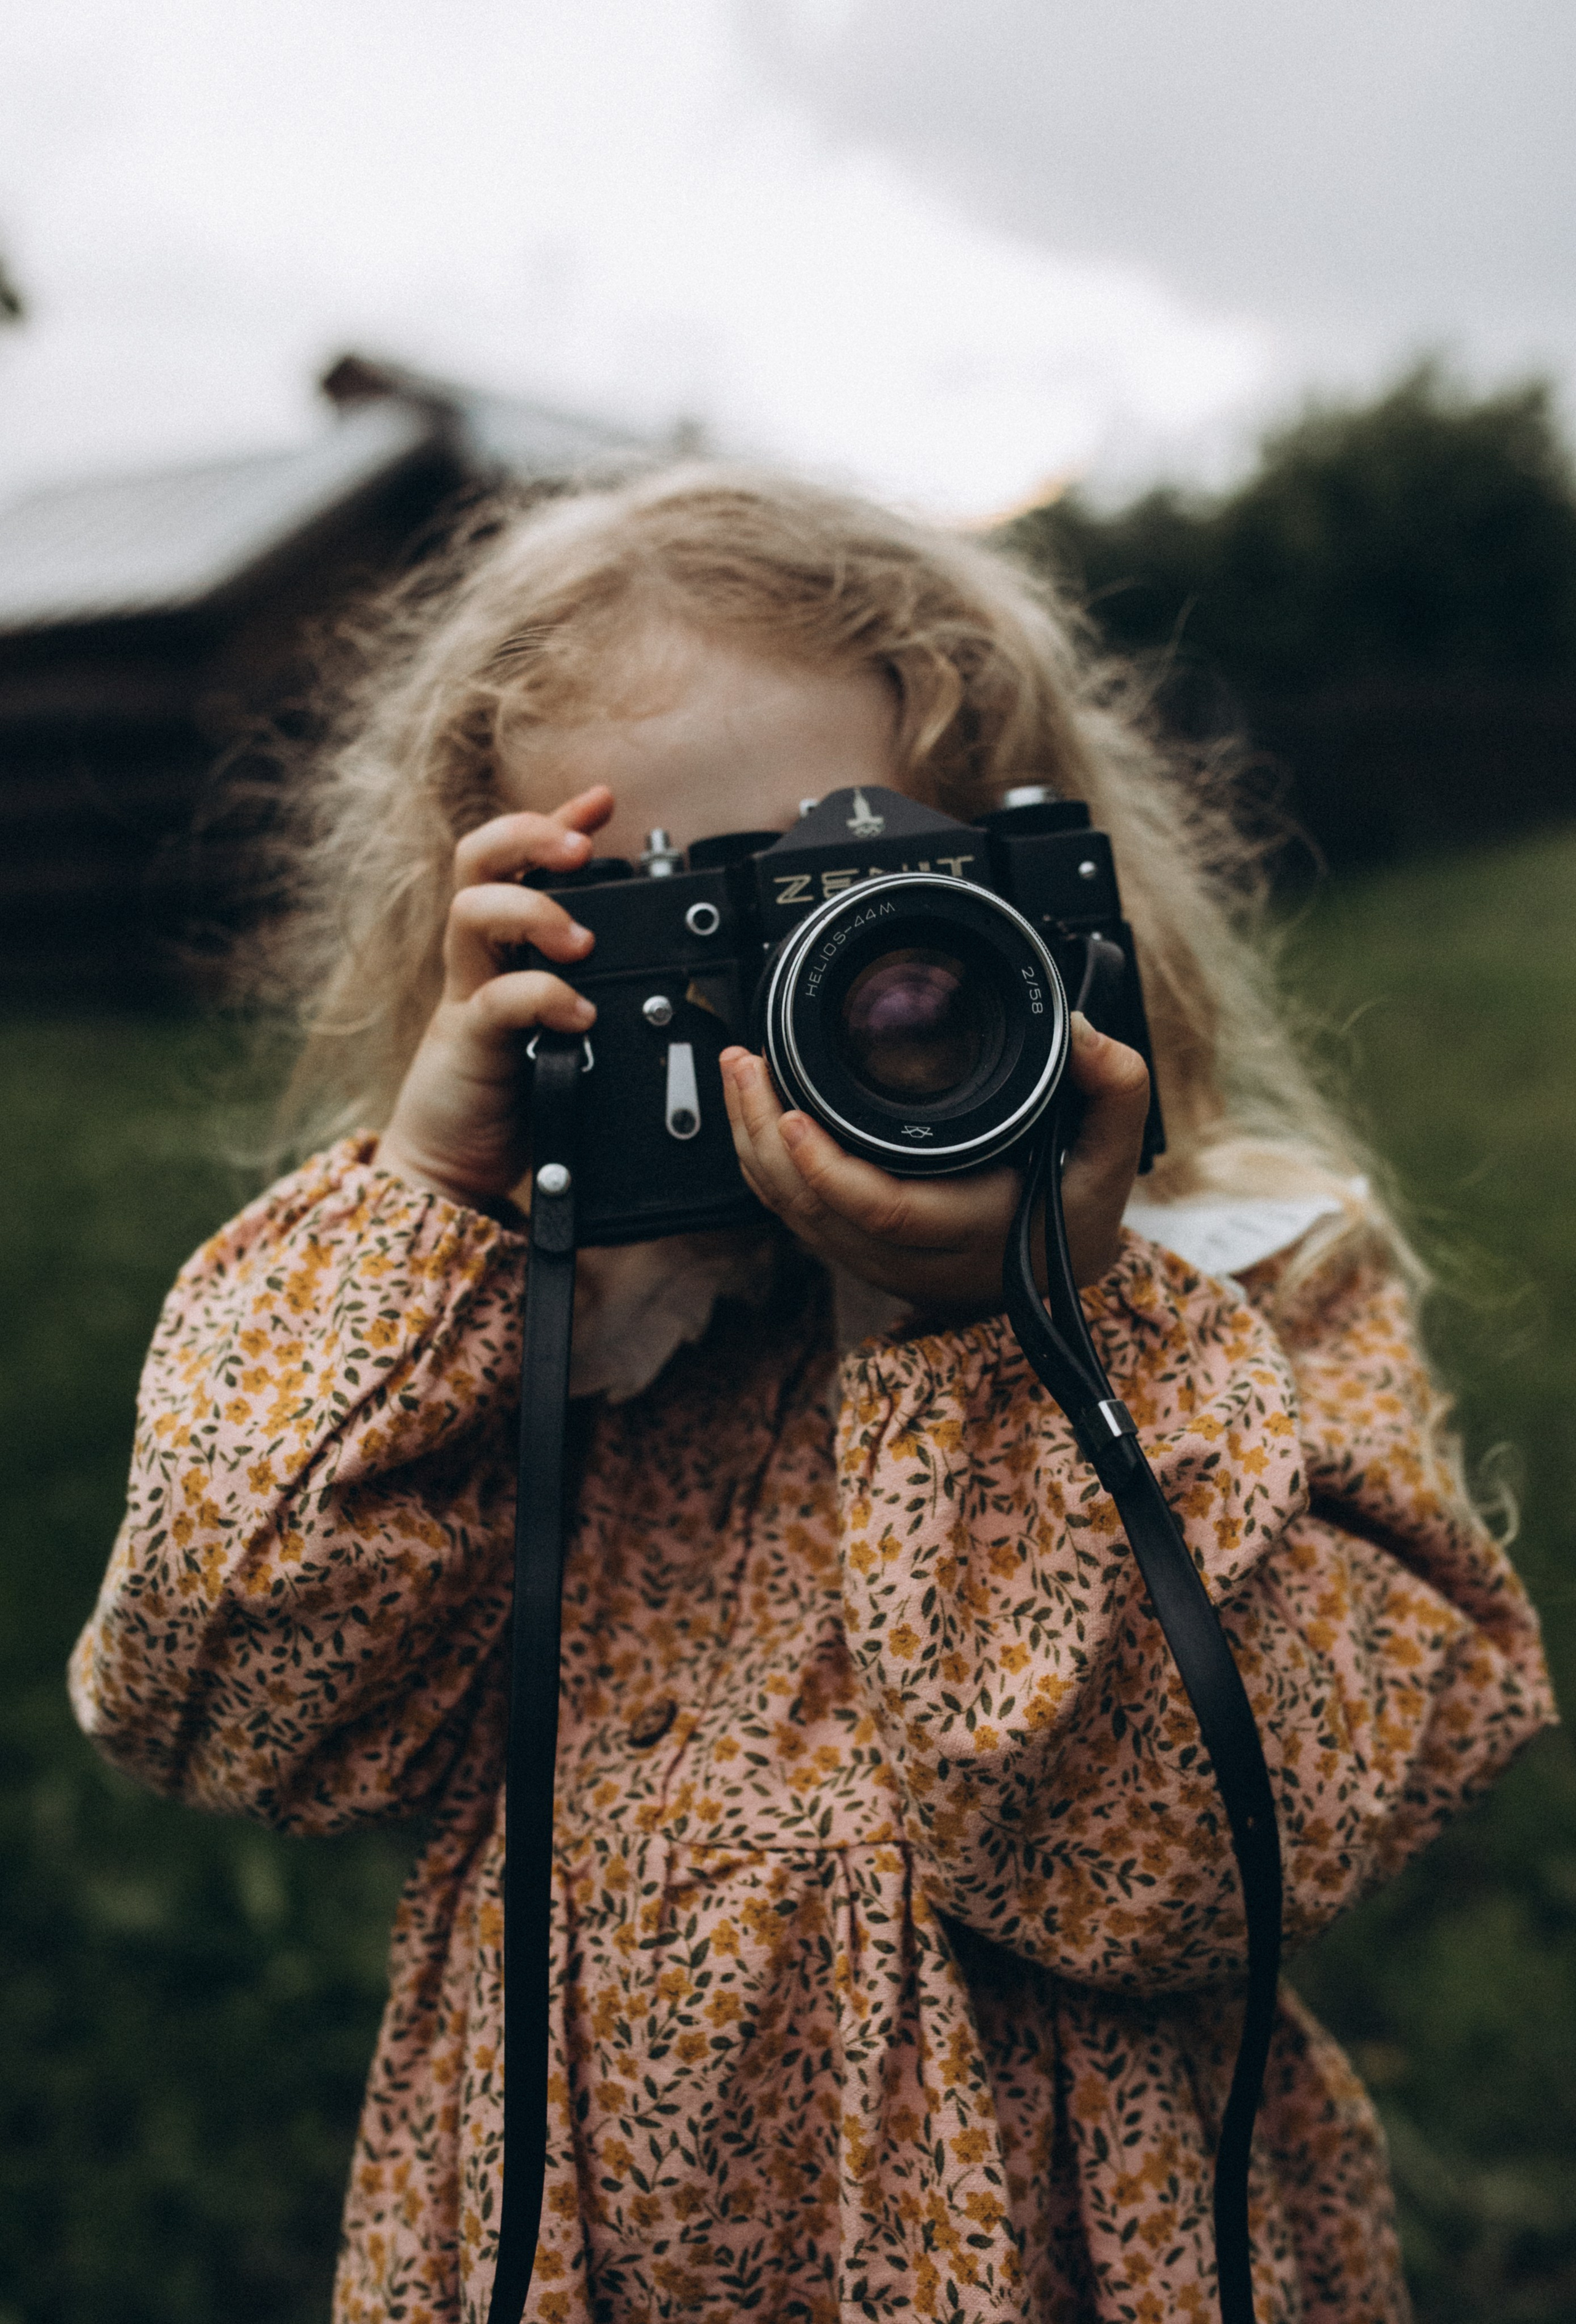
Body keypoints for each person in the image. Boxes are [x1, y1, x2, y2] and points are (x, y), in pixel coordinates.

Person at [70, 467, 1554, 2324]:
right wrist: (439, 1214)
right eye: (693, 920)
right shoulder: (531, 1342)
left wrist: (1018, 1326)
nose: (818, 1001)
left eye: (867, 903)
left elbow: (1197, 1855)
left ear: (1045, 895)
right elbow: (223, 1706)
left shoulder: (1236, 1292)